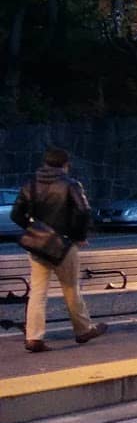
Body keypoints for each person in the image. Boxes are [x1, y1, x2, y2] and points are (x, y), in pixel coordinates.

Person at [9, 147, 104, 352]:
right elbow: (83, 210)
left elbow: (16, 214)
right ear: (65, 165)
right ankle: (83, 329)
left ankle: (34, 337)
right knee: (71, 288)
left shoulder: (30, 184)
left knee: (38, 292)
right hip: (65, 244)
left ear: (45, 164)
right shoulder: (70, 185)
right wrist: (79, 236)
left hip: (38, 246)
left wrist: (35, 229)